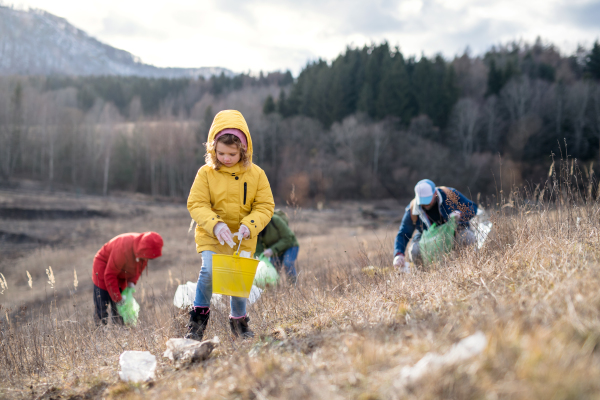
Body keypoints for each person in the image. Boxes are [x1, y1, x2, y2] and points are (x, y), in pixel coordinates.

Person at [186, 109, 274, 341]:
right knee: (208, 272)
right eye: (221, 152)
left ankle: (239, 323)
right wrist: (215, 225)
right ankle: (196, 324)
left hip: (242, 237)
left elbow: (265, 206)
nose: (225, 158)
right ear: (213, 148)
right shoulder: (205, 174)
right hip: (211, 234)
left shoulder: (257, 175)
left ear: (243, 150)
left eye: (232, 154)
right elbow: (196, 203)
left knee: (238, 279)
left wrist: (250, 225)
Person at [393, 179, 477, 267]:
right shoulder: (412, 208)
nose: (425, 204)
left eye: (428, 200)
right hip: (428, 239)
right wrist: (398, 254)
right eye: (422, 201)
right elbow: (403, 233)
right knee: (415, 249)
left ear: (435, 193)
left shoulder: (449, 193)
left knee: (467, 237)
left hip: (454, 232)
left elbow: (473, 207)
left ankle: (470, 267)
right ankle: (425, 276)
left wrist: (460, 214)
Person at [92, 232, 163, 325]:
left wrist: (132, 282)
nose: (147, 260)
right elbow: (109, 274)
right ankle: (100, 332)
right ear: (143, 250)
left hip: (121, 273)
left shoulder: (143, 255)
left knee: (120, 310)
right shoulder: (122, 248)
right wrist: (117, 298)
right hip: (103, 269)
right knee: (102, 305)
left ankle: (120, 333)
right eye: (147, 257)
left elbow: (139, 268)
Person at [255, 210, 299, 283]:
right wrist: (260, 260)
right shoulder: (256, 228)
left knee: (288, 263)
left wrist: (272, 250)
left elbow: (288, 238)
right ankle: (276, 290)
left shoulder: (275, 220)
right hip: (275, 251)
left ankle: (294, 287)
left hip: (290, 246)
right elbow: (258, 249)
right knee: (271, 269)